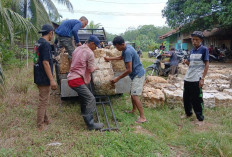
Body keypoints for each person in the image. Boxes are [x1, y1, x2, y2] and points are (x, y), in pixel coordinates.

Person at [104, 36, 147, 123]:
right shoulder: (126, 48)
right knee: (132, 93)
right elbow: (121, 58)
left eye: (117, 47)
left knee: (135, 95)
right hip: (135, 74)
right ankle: (134, 110)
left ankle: (143, 117)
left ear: (122, 44)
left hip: (138, 75)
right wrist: (110, 59)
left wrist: (117, 78)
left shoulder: (127, 51)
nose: (116, 48)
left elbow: (129, 70)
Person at [67, 35, 104, 130]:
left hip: (71, 77)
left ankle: (84, 113)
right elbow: (91, 69)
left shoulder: (77, 49)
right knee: (91, 98)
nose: (95, 48)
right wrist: (96, 67)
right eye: (95, 46)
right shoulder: (89, 53)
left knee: (84, 97)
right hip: (76, 79)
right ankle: (91, 124)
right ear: (91, 43)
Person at [182, 31, 209, 126]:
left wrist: (203, 78)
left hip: (197, 78)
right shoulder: (192, 50)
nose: (194, 42)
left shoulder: (204, 49)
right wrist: (186, 62)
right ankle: (188, 114)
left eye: (197, 40)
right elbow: (191, 64)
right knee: (186, 98)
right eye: (193, 40)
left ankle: (200, 118)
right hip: (188, 77)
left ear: (201, 40)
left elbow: (206, 64)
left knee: (197, 99)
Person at [34, 24, 57, 131]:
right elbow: (45, 63)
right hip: (44, 76)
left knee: (44, 99)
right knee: (43, 101)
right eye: (53, 34)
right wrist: (52, 80)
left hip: (38, 74)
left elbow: (37, 59)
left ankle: (46, 119)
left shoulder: (38, 43)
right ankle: (40, 124)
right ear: (50, 33)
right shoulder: (46, 45)